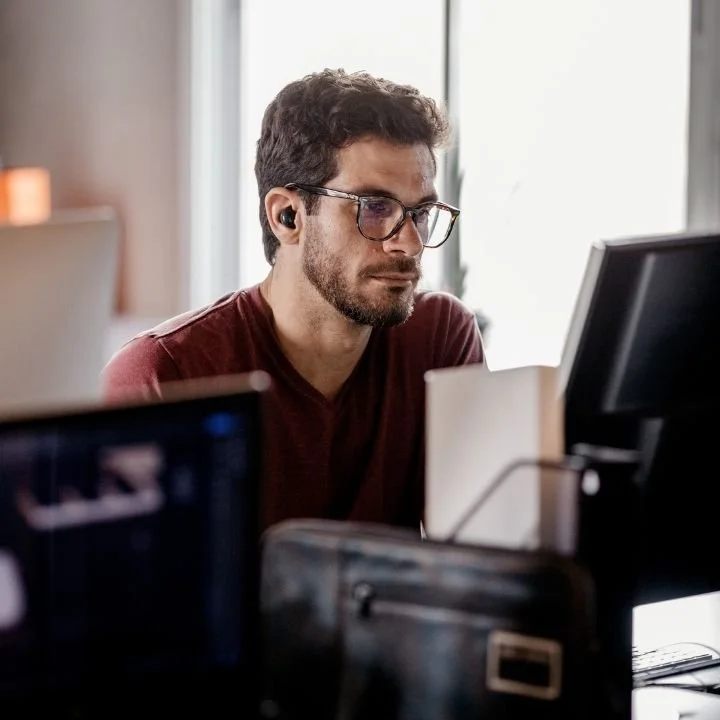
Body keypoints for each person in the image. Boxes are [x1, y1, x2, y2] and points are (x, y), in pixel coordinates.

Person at [102, 68, 483, 531]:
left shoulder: (438, 337)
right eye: (375, 208)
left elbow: (482, 556)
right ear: (287, 216)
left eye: (420, 213)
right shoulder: (164, 374)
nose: (410, 244)